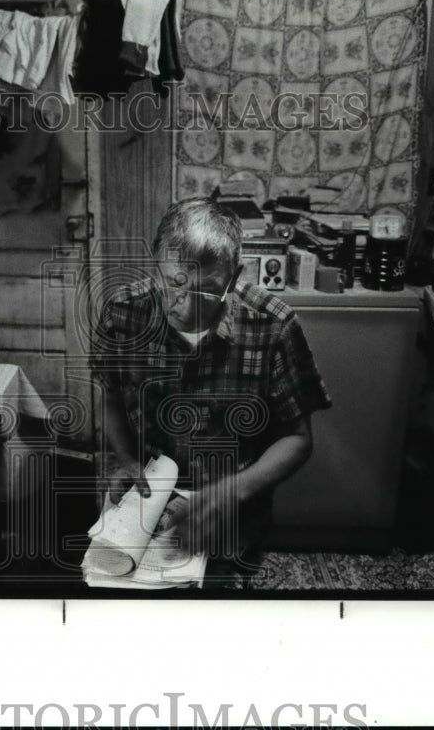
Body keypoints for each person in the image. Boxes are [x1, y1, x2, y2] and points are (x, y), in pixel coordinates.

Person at [90, 198, 331, 585]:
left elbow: (298, 440)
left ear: (234, 279)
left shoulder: (273, 325)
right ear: (157, 264)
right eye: (174, 285)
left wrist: (230, 493)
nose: (184, 308)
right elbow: (112, 401)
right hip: (147, 508)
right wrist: (127, 460)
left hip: (232, 518)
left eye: (208, 292)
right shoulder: (124, 312)